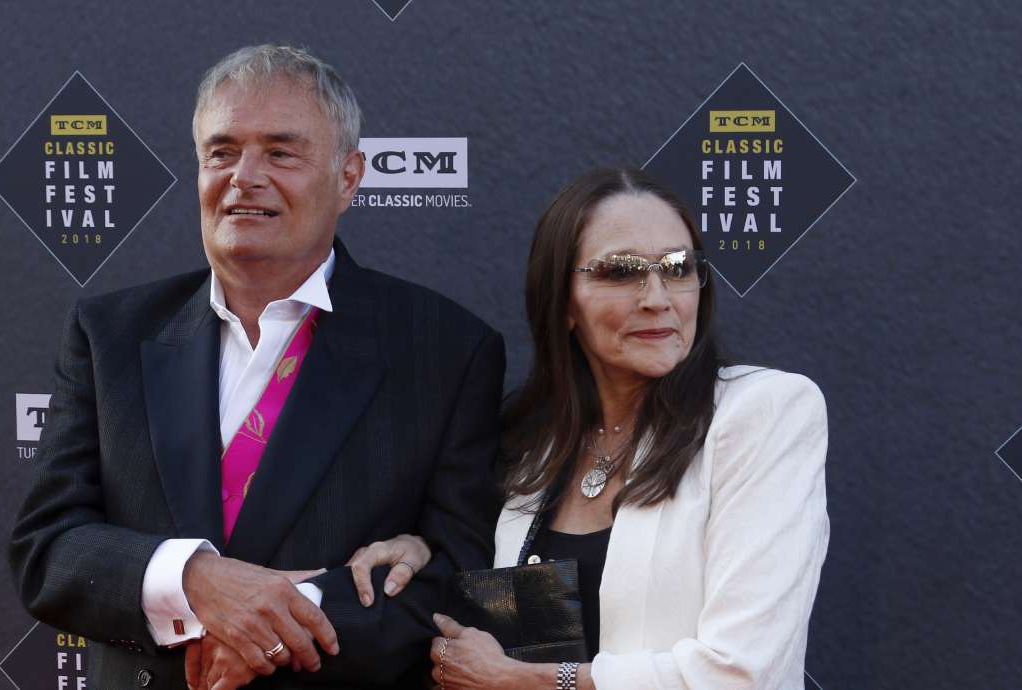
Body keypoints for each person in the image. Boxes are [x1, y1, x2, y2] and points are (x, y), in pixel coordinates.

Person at [7, 45, 504, 690]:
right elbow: (49, 549)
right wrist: (198, 581)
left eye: (280, 152)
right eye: (221, 152)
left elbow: (460, 575)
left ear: (348, 178)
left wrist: (274, 623)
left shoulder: (446, 349)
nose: (244, 175)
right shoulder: (111, 334)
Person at [350, 167, 829, 689]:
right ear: (562, 302)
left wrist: (525, 680)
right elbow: (501, 599)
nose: (656, 297)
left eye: (677, 267)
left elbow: (740, 673)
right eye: (619, 272)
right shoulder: (530, 443)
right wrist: (423, 555)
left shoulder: (760, 412)